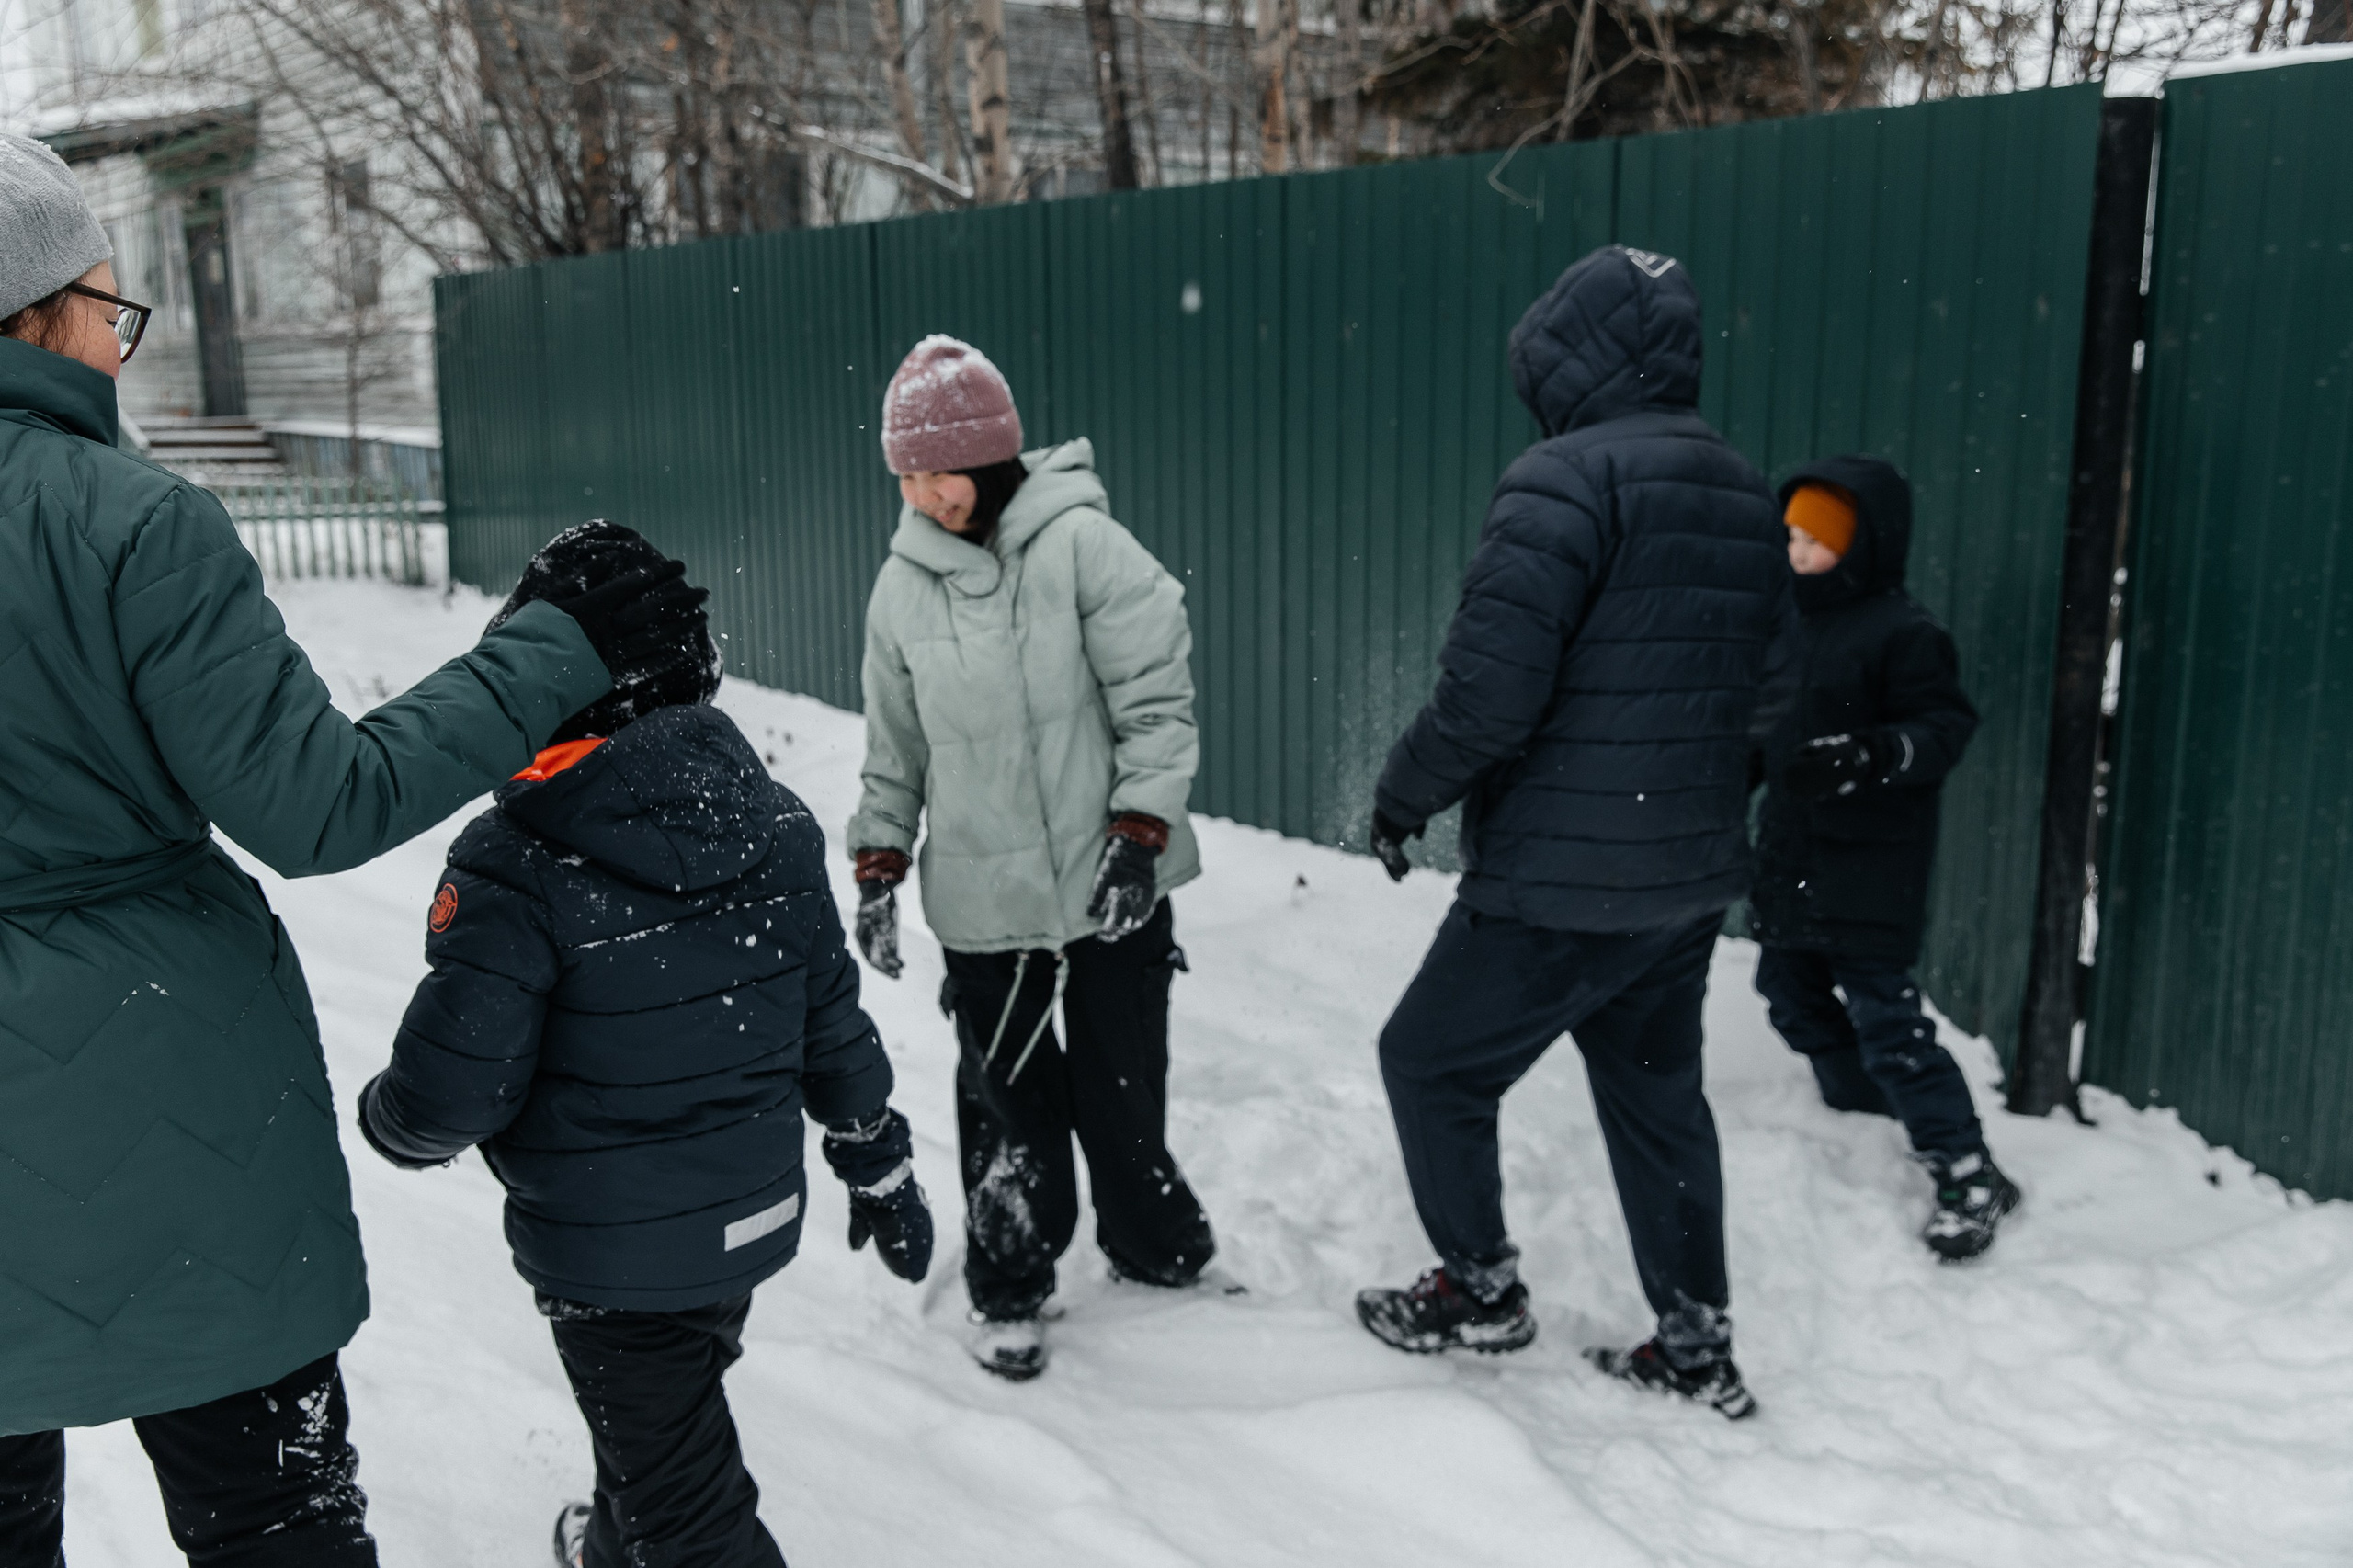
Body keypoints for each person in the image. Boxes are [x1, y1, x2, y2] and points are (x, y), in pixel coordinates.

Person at [0, 134, 692, 1561]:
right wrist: (557, 647)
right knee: (276, 1521)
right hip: (171, 1120)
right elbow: (315, 802)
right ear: (37, 315)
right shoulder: (130, 524)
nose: (118, 351)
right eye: (110, 313)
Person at [358, 523, 934, 1568]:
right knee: (665, 1427)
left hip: (611, 1258)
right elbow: (832, 1024)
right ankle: (613, 1546)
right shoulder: (777, 825)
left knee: (690, 1513)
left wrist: (389, 1119)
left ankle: (652, 1536)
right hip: (748, 1222)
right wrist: (876, 1157)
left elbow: (453, 1093)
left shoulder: (519, 860)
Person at [1354, 246, 1798, 1421]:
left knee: (1430, 1062)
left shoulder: (1561, 480)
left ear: (1566, 358)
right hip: (1682, 881)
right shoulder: (1744, 489)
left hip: (1560, 879)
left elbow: (1487, 697)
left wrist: (1402, 796)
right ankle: (1695, 1340)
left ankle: (1479, 1288)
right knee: (1658, 1101)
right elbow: (1772, 697)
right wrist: (1685, 806)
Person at [848, 335, 1214, 1381]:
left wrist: (1140, 831)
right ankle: (1010, 1279)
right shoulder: (901, 590)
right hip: (986, 893)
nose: (923, 495)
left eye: (939, 473)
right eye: (906, 476)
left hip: (1111, 879)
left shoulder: (1082, 546)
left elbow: (1156, 701)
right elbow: (895, 747)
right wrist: (879, 863)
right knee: (1006, 1104)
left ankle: (1154, 1243)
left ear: (990, 458)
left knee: (1122, 1089)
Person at [1752, 458, 2020, 1260]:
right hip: (1792, 853)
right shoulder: (1786, 624)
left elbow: (1942, 730)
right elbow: (1760, 728)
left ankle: (1969, 1169)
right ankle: (1863, 1117)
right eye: (1791, 537)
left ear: (1863, 544)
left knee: (1888, 1023)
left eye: (1816, 540)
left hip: (1869, 864)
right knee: (1789, 994)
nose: (1797, 553)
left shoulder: (1905, 633)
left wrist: (1868, 756)